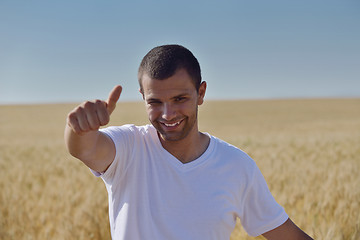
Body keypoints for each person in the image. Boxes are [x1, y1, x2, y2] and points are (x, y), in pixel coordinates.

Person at [65, 44, 313, 240]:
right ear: (142, 97)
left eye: (180, 98)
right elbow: (86, 148)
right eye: (155, 102)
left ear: (201, 93)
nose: (167, 113)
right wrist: (78, 129)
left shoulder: (236, 166)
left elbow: (285, 234)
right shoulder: (129, 147)